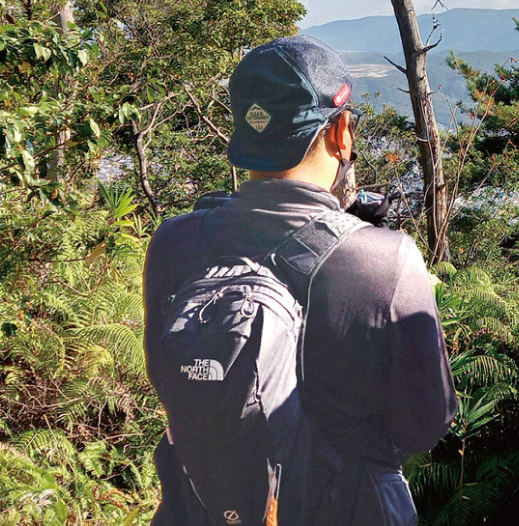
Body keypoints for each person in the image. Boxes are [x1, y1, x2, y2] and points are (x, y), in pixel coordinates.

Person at [143, 35, 457, 525]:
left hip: (200, 507)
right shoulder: (383, 260)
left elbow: (169, 381)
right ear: (342, 132)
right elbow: (426, 423)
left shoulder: (175, 243)